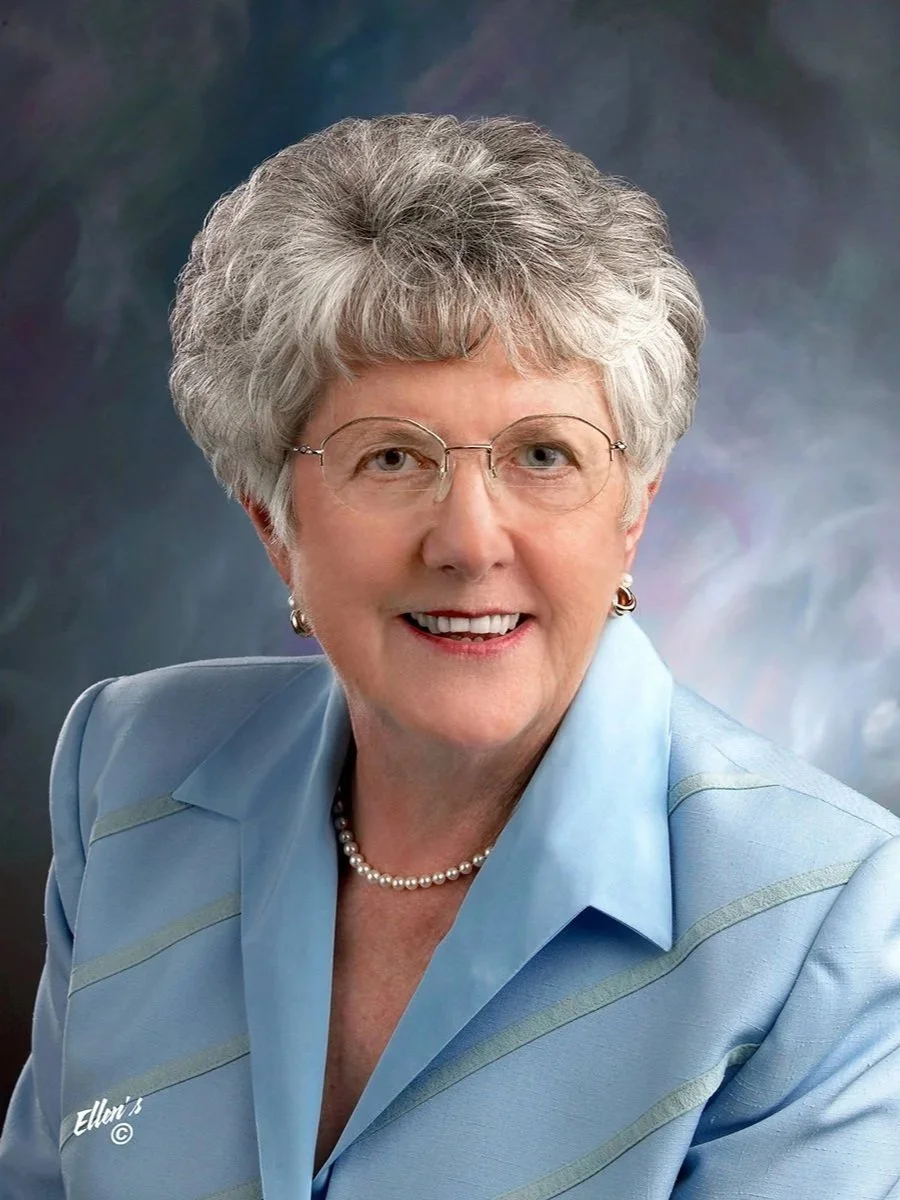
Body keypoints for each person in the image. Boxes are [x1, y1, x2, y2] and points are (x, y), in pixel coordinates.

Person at [1, 114, 898, 1200]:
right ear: (272, 524)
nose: (470, 542)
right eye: (391, 456)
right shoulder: (127, 774)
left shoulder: (822, 913)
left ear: (632, 512)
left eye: (542, 454)